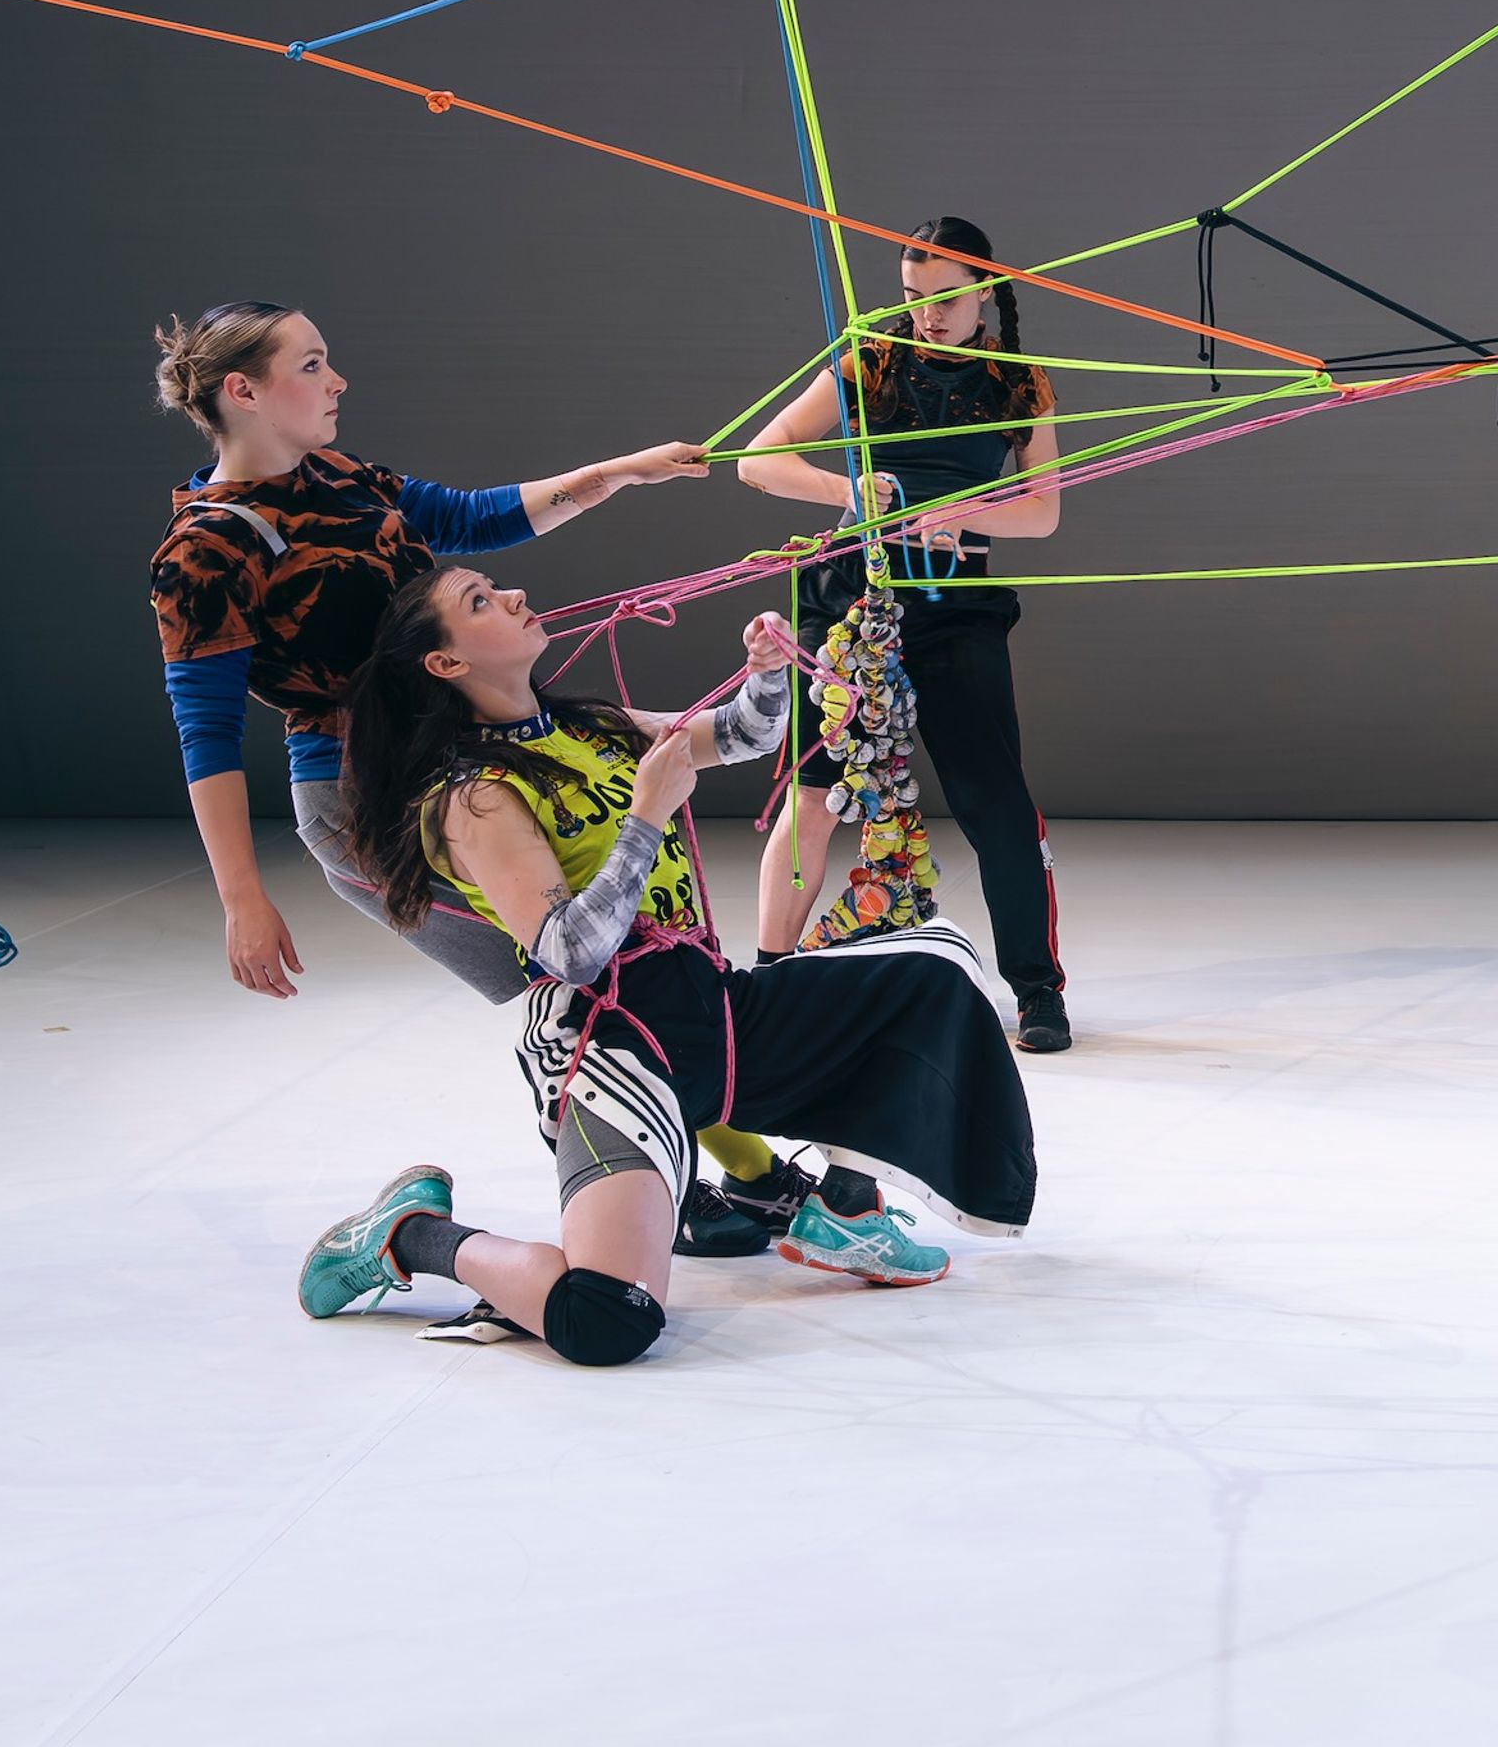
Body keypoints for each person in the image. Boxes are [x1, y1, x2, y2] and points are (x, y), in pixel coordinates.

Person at [147, 301, 805, 1257]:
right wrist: (242, 900)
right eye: (314, 365)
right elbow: (203, 735)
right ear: (242, 392)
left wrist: (617, 473)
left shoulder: (338, 475)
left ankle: (723, 1181)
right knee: (585, 986)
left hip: (479, 769)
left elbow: (469, 515)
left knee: (613, 979)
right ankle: (703, 1187)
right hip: (376, 809)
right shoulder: (204, 550)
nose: (337, 383)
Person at [295, 569, 1040, 1366]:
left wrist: (763, 673)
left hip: (710, 1008)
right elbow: (570, 954)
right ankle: (409, 1236)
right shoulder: (473, 796)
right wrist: (646, 814)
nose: (514, 596)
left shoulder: (593, 725)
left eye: (501, 586)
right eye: (481, 602)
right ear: (443, 663)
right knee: (609, 1319)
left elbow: (743, 735)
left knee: (937, 964)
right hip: (611, 1048)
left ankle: (845, 1211)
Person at [737, 218, 1073, 1053]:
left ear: (988, 288)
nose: (928, 314)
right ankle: (768, 977)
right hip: (848, 601)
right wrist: (851, 491)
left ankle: (1036, 990)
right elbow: (758, 457)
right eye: (915, 297)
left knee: (995, 801)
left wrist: (960, 510)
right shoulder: (870, 358)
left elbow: (1042, 510)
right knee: (813, 795)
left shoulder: (1018, 380)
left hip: (956, 605)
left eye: (948, 297)